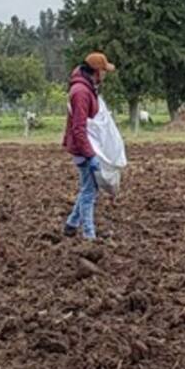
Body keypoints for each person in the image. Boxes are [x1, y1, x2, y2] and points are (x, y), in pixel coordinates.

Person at [62, 51, 116, 241]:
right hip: (83, 147)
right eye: (104, 71)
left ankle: (71, 224)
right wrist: (89, 154)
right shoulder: (81, 92)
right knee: (89, 191)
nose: (105, 75)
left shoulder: (87, 88)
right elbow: (78, 128)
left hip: (85, 146)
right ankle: (89, 235)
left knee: (88, 187)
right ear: (96, 71)